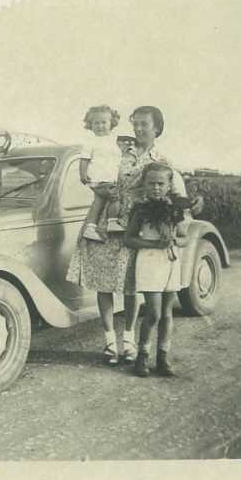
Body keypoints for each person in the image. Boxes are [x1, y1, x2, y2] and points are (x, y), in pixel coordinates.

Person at [66, 105, 199, 366]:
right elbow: (95, 174)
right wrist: (98, 188)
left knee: (131, 283)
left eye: (144, 125)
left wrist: (187, 213)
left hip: (139, 225)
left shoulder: (162, 160)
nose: (138, 129)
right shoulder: (116, 149)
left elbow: (177, 194)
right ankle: (109, 342)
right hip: (108, 220)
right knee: (103, 282)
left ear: (157, 129)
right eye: (135, 123)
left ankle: (128, 341)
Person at [123, 162, 189, 377]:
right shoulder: (141, 211)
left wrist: (173, 241)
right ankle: (142, 356)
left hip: (170, 261)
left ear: (169, 186)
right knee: (153, 313)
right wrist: (154, 245)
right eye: (151, 183)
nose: (156, 188)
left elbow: (184, 238)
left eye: (161, 184)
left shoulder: (175, 210)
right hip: (149, 261)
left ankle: (163, 357)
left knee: (167, 313)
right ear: (144, 185)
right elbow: (129, 239)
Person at [79, 106, 124, 242]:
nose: (100, 126)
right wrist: (82, 174)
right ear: (90, 125)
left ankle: (90, 228)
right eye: (96, 123)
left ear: (112, 123)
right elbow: (84, 158)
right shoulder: (91, 141)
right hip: (99, 177)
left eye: (104, 122)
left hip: (110, 177)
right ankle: (112, 222)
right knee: (115, 197)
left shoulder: (114, 139)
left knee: (98, 202)